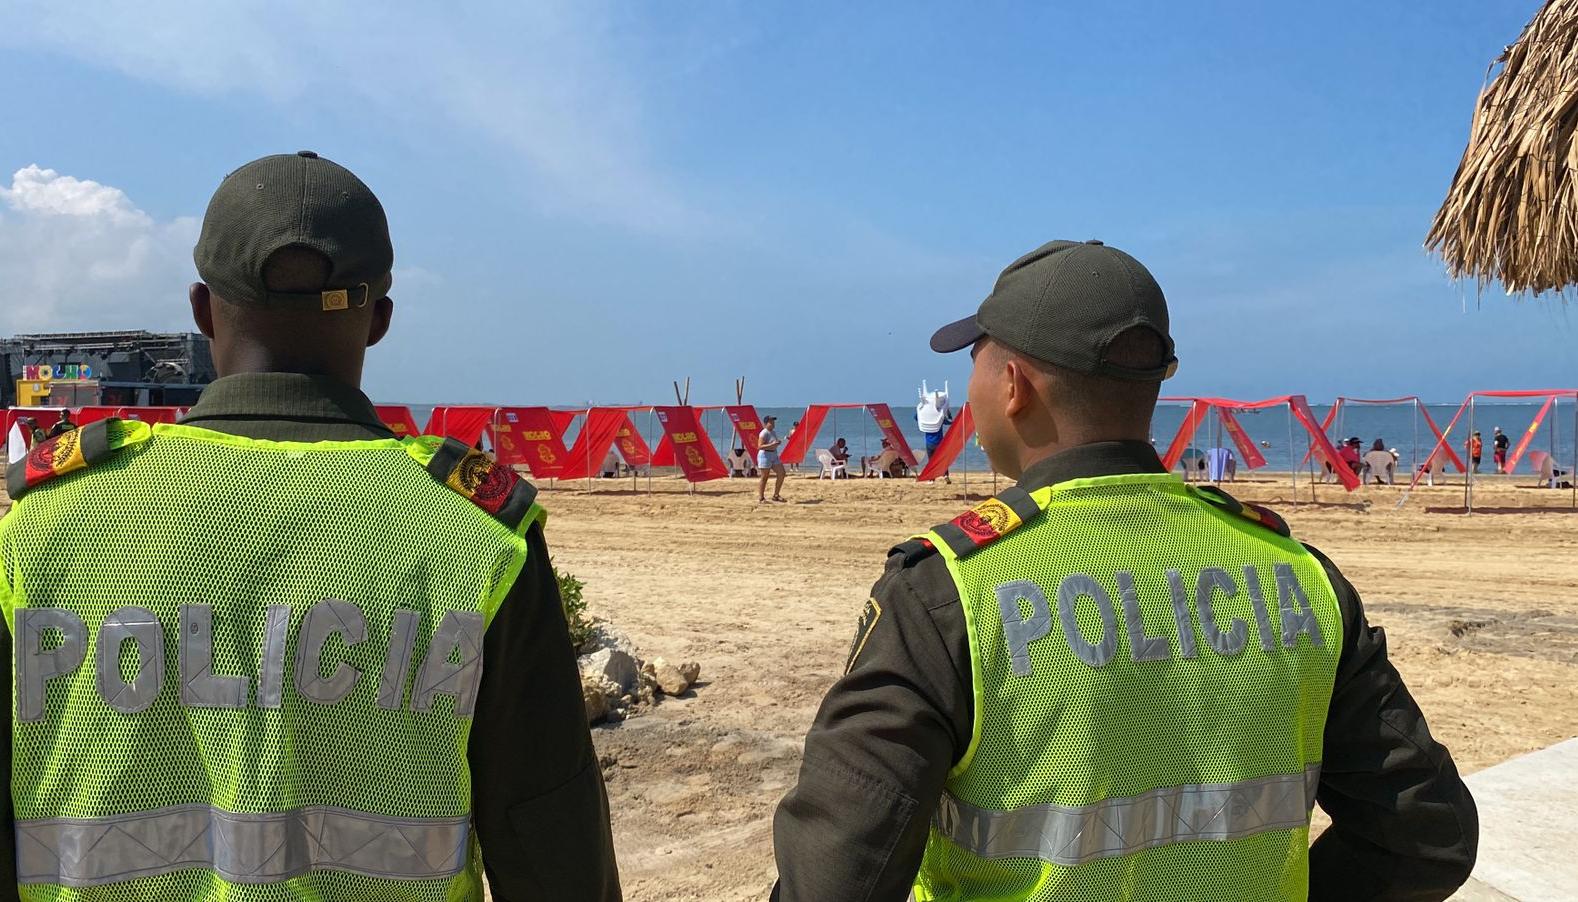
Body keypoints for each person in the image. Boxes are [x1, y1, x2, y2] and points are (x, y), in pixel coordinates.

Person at [772, 239, 1476, 901]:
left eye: (976, 364)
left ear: (1013, 386)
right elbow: (1426, 834)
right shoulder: (1299, 577)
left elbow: (838, 876)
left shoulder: (948, 591)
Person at [0, 152, 620, 900]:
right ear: (380, 320)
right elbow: (551, 843)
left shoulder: (43, 530)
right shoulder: (475, 538)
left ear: (202, 310)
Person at [758, 414, 788, 502]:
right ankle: (761, 498)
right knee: (764, 477)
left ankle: (776, 495)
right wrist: (772, 444)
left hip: (773, 455)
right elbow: (760, 446)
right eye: (771, 422)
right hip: (765, 456)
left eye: (773, 421)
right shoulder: (764, 432)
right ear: (766, 423)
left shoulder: (773, 432)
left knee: (782, 473)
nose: (773, 423)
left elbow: (773, 442)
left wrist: (777, 443)